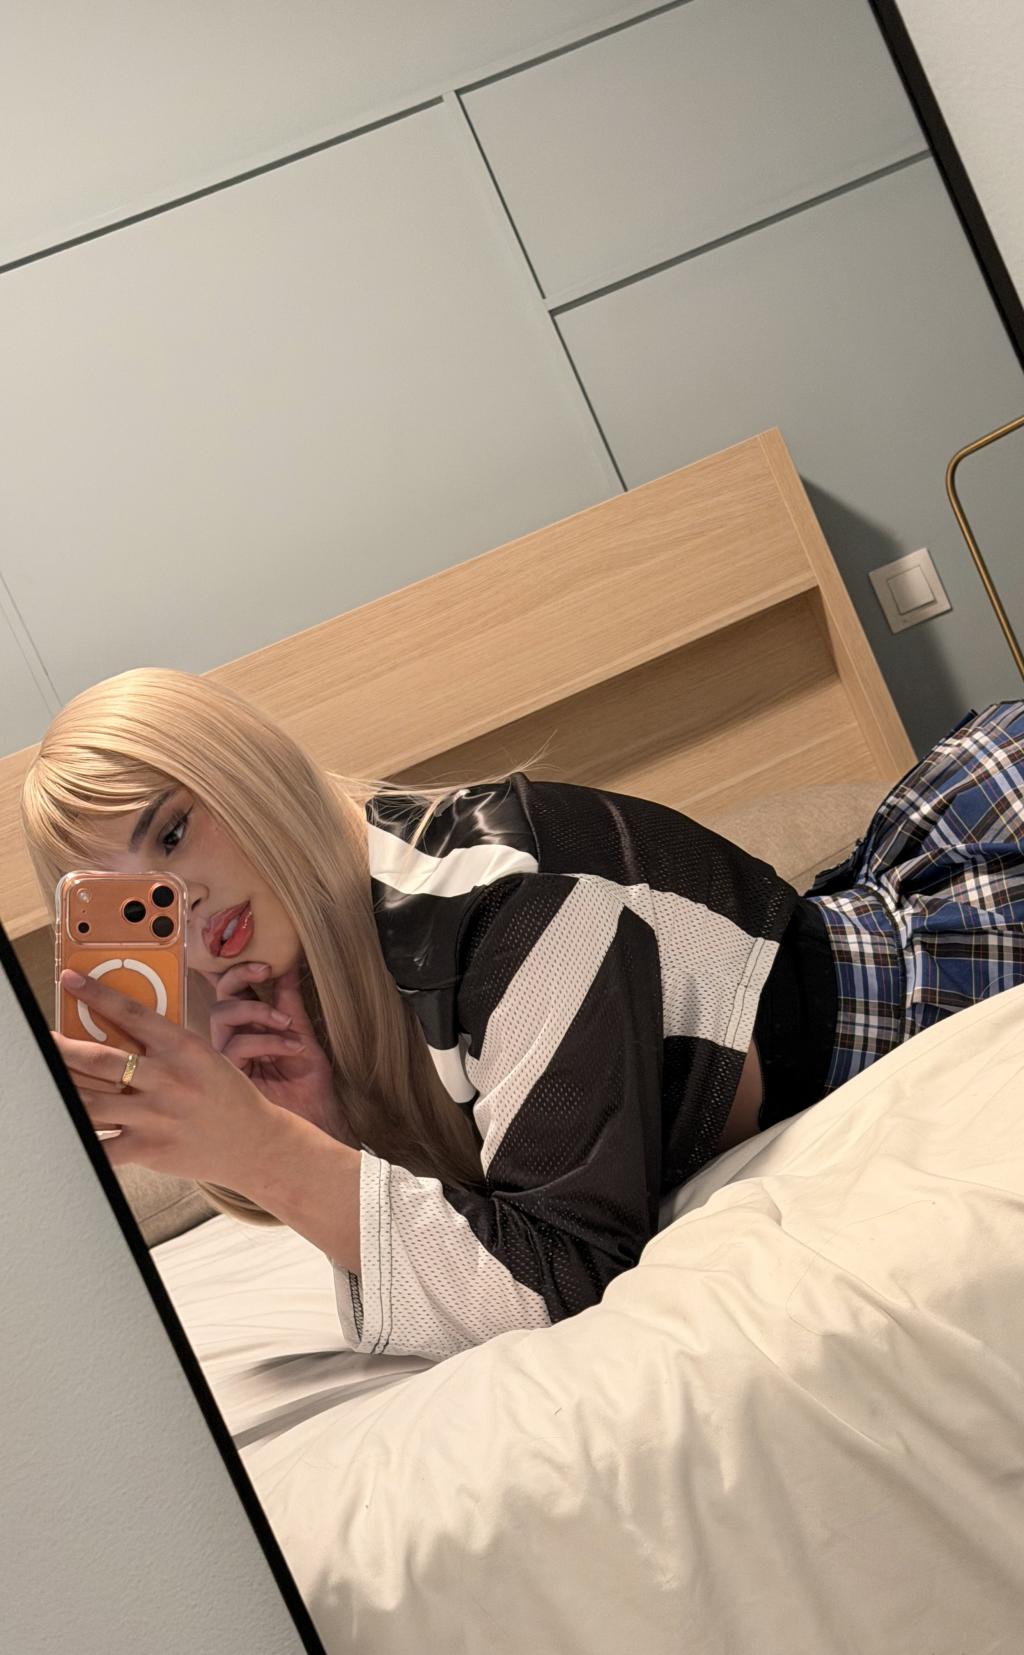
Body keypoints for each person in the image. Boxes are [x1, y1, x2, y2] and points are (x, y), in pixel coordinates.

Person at [22, 671, 1024, 1363]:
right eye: (134, 899)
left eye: (174, 831)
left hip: (922, 974)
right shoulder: (319, 983)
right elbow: (487, 1217)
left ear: (245, 772)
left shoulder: (504, 902)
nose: (181, 901)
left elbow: (566, 1275)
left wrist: (274, 1153)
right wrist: (325, 1133)